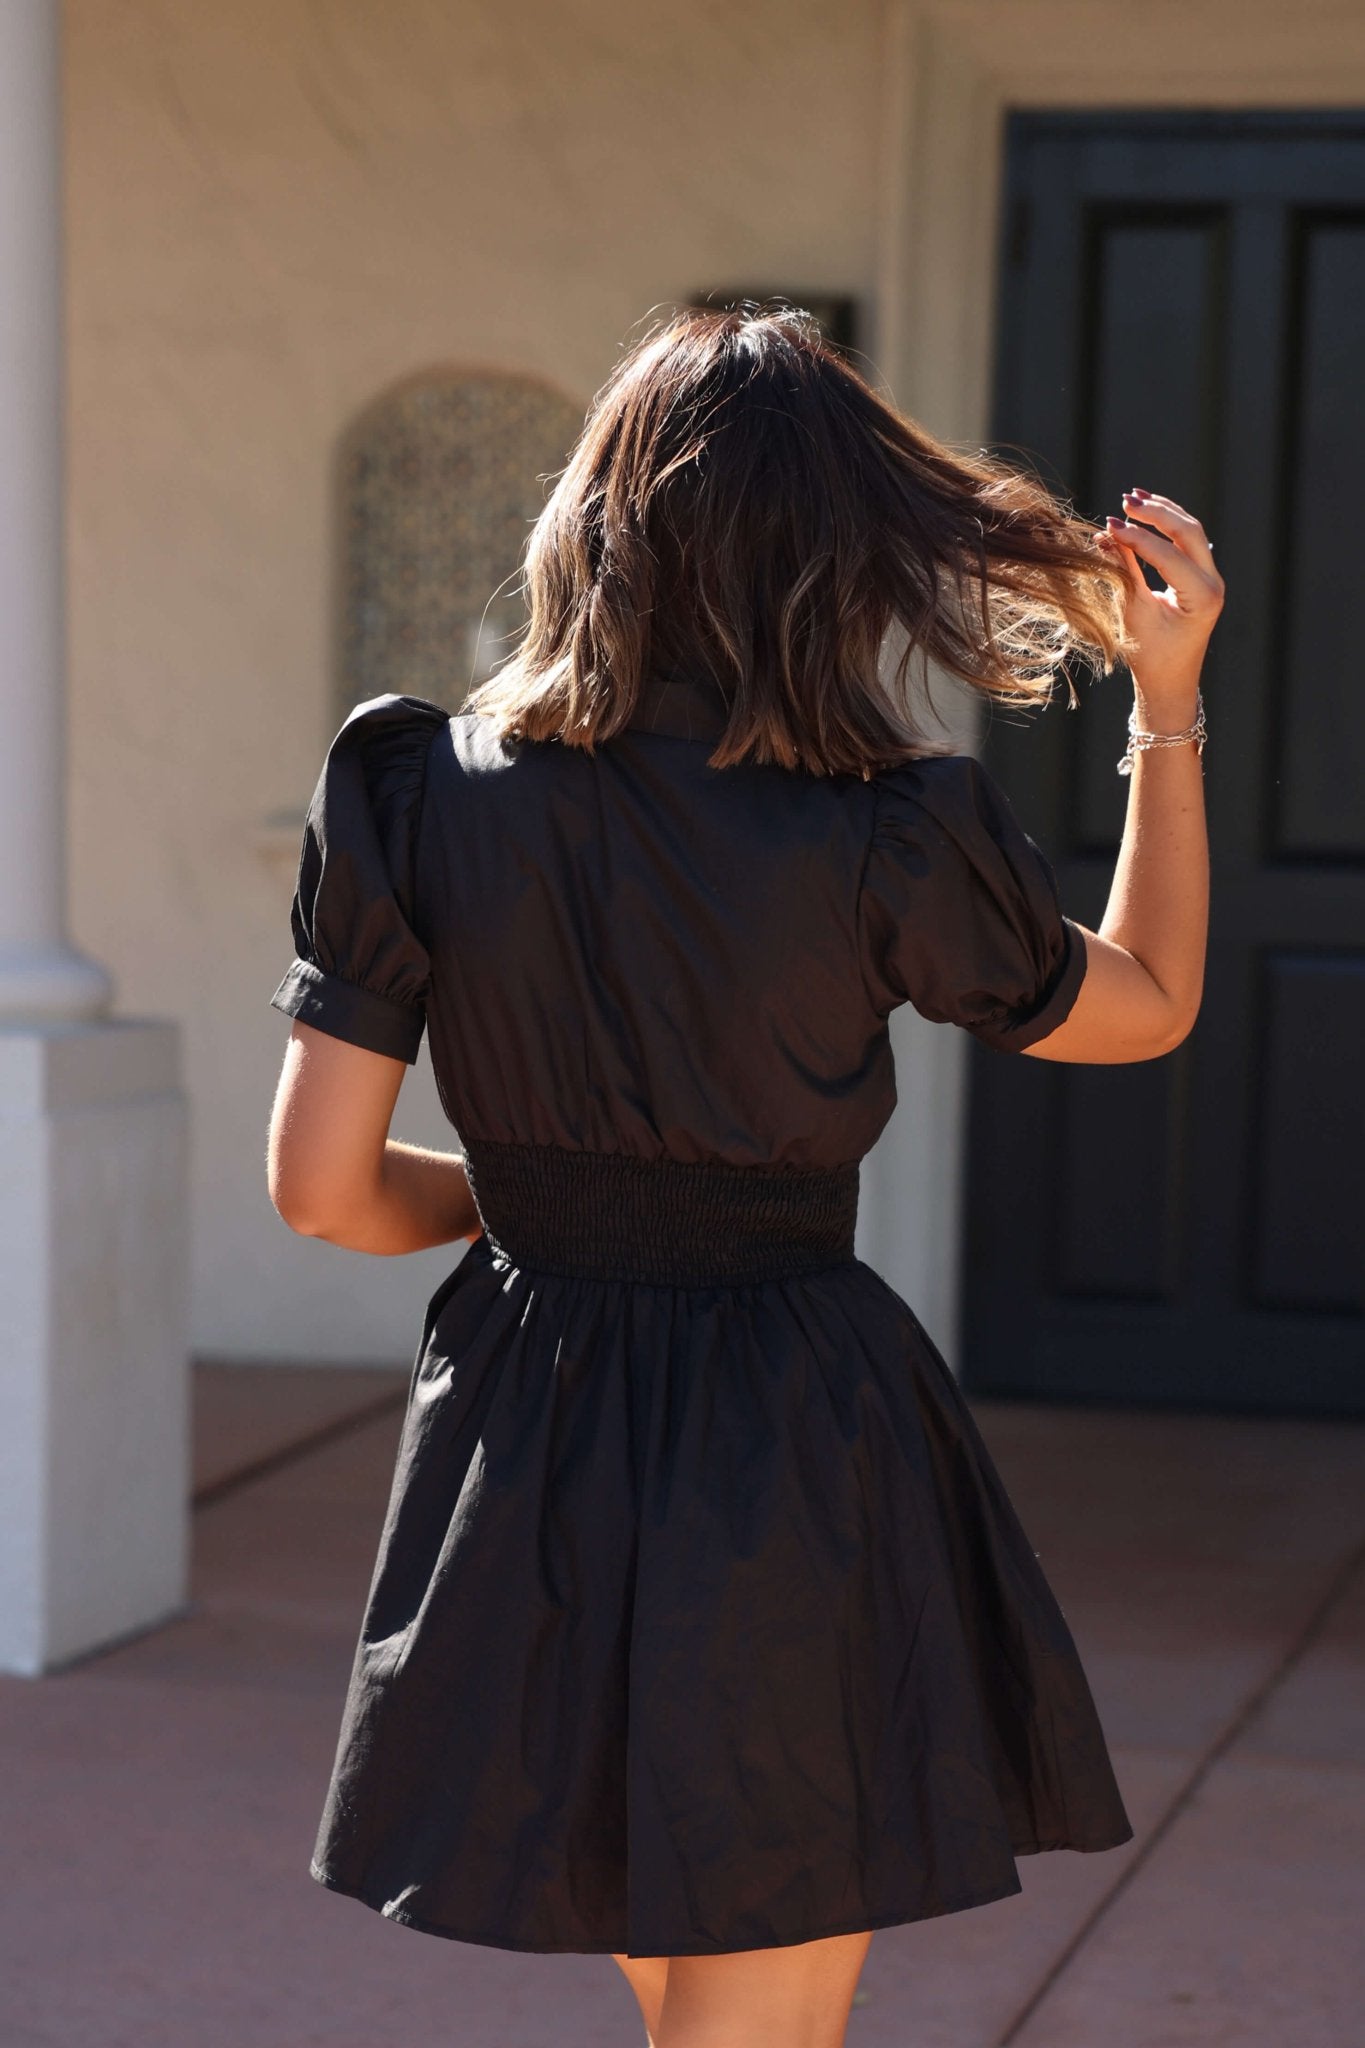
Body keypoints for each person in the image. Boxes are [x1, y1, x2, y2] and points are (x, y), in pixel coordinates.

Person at [266, 304, 1221, 2048]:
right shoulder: (882, 823)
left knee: (673, 1956)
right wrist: (1165, 711)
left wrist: (540, 1194)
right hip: (789, 1429)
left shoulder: (407, 784)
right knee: (763, 2011)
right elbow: (1144, 1008)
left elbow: (324, 1191)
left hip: (521, 1412)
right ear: (835, 554)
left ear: (591, 516)